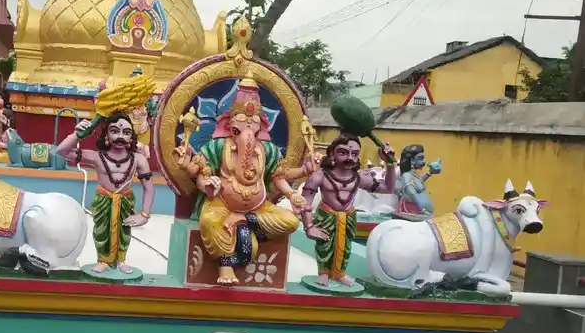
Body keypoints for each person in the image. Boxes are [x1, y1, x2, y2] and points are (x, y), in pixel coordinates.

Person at [174, 73, 305, 285]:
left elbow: (280, 176)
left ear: (261, 128)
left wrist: (294, 189)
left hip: (259, 208)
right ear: (229, 127)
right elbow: (197, 171)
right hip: (221, 204)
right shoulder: (218, 146)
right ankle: (226, 265)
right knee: (209, 221)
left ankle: (244, 224)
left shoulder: (267, 150)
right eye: (241, 129)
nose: (248, 135)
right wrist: (194, 173)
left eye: (254, 128)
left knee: (290, 221)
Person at [56, 113, 154, 273]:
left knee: (124, 231)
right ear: (106, 134)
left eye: (126, 132)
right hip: (103, 200)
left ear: (132, 137)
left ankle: (121, 260)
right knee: (101, 230)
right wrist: (78, 134)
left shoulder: (138, 160)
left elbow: (148, 187)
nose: (120, 136)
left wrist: (144, 214)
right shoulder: (97, 157)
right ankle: (103, 260)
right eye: (115, 131)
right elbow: (61, 151)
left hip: (125, 200)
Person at [300, 134, 395, 286]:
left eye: (354, 154)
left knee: (346, 247)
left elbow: (389, 188)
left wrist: (389, 164)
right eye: (343, 152)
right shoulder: (320, 176)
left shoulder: (359, 178)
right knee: (324, 246)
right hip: (326, 215)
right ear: (332, 154)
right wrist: (309, 227)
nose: (349, 157)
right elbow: (304, 202)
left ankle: (339, 274)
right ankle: (324, 272)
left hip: (349, 217)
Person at [396, 144, 442, 215]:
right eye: (420, 159)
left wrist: (430, 172)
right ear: (412, 160)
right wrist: (422, 210)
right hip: (411, 212)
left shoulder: (413, 175)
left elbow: (419, 181)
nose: (424, 162)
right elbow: (412, 193)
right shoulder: (406, 176)